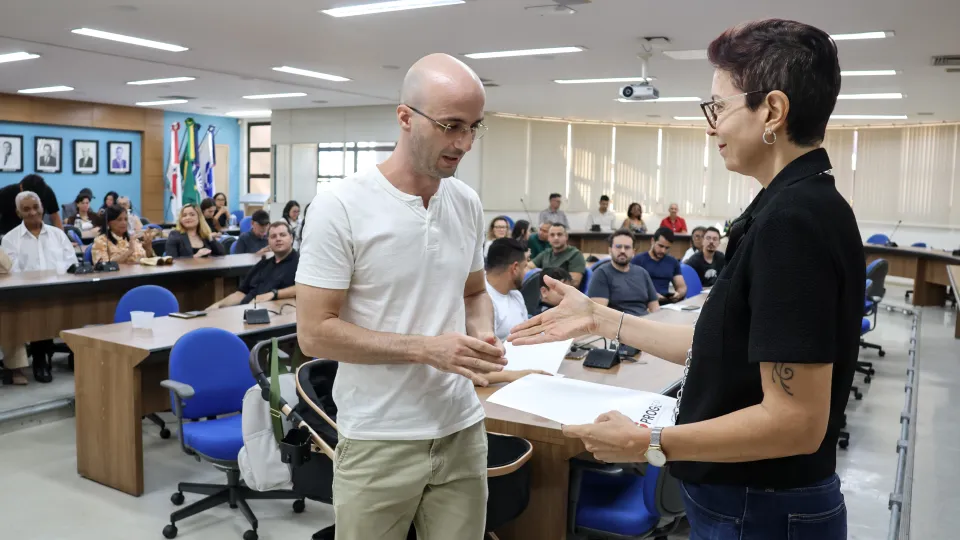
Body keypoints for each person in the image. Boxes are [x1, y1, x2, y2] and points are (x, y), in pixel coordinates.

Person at [510, 19, 862, 540]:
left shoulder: (795, 222)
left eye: (718, 107)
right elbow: (722, 346)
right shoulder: (791, 206)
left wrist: (651, 442)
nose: (710, 124)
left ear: (772, 110)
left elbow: (795, 421)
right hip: (752, 502)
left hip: (759, 508)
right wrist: (599, 318)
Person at [295, 53, 505, 540]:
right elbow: (314, 334)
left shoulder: (466, 202)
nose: (465, 143)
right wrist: (426, 349)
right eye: (451, 126)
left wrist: (482, 333)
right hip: (378, 437)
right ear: (405, 117)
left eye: (475, 127)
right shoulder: (340, 205)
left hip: (461, 429)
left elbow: (475, 292)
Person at [0, 191, 77, 384]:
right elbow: (13, 272)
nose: (33, 212)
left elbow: (71, 263)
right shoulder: (10, 239)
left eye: (36, 207)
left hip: (61, 291)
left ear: (42, 208)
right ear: (19, 213)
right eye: (26, 209)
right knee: (37, 309)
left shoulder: (58, 234)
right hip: (27, 294)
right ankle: (40, 361)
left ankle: (77, 354)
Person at [207, 222, 298, 309]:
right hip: (246, 310)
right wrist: (218, 305)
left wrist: (273, 294)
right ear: (268, 241)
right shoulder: (263, 263)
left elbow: (304, 289)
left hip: (274, 314)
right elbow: (242, 293)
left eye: (282, 235)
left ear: (291, 238)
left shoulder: (301, 263)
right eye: (273, 236)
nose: (278, 239)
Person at [587, 229, 659, 317]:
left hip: (644, 322)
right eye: (618, 246)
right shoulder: (601, 273)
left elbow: (655, 307)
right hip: (619, 326)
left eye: (627, 247)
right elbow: (599, 314)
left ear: (633, 251)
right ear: (610, 250)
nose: (622, 251)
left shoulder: (642, 273)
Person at [484, 238, 528, 341]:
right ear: (515, 268)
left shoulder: (516, 295)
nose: (526, 272)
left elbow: (527, 333)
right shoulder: (483, 301)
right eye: (524, 267)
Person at [632, 227, 687, 304]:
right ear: (652, 241)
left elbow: (682, 287)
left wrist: (678, 294)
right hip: (645, 302)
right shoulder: (638, 260)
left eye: (667, 248)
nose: (663, 251)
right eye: (660, 246)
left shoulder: (673, 262)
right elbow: (633, 287)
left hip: (666, 302)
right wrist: (652, 295)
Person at [91, 205, 155, 265]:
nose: (124, 223)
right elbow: (103, 266)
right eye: (119, 220)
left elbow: (146, 261)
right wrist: (129, 252)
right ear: (109, 223)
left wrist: (148, 248)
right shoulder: (101, 241)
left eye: (126, 219)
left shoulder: (132, 239)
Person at [528, 222, 586, 288]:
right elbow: (528, 267)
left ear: (566, 237)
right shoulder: (546, 253)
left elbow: (574, 283)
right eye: (552, 235)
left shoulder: (575, 254)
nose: (556, 238)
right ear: (548, 238)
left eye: (559, 234)